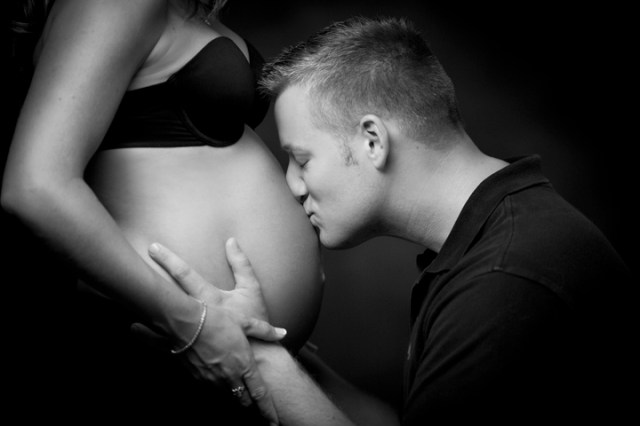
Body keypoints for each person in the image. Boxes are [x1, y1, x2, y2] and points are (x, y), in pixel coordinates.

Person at [147, 16, 637, 425]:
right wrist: (277, 353)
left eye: (302, 159)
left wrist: (256, 356)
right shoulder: (505, 235)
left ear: (372, 141)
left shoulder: (504, 282)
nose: (292, 185)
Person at [2, 0, 323, 422]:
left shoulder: (181, 8)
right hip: (165, 339)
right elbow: (35, 187)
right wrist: (191, 325)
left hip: (216, 349)